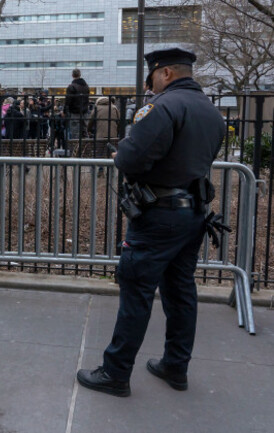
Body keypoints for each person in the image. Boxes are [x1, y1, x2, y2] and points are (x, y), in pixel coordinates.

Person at [77, 48, 226, 397]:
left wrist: (121, 154)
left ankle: (115, 372)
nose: (151, 87)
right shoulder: (212, 113)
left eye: (152, 79)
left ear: (166, 74)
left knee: (137, 291)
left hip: (159, 215)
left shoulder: (162, 107)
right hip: (193, 213)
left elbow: (131, 158)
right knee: (181, 292)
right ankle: (176, 367)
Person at [65, 69, 90, 139]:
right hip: (84, 112)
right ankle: (86, 148)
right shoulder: (86, 86)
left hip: (74, 112)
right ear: (80, 74)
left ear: (72, 75)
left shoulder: (72, 87)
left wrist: (65, 111)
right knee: (84, 132)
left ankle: (75, 149)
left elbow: (68, 100)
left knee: (75, 133)